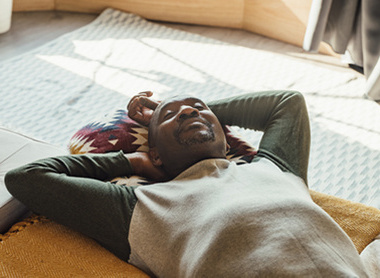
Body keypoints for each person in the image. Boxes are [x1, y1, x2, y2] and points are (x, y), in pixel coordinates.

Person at [5, 90, 369, 277]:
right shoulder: (141, 207)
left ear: (226, 141)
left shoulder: (275, 168)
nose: (190, 111)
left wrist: (174, 107)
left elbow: (287, 104)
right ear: (157, 155)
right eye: (170, 116)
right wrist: (133, 161)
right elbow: (27, 178)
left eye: (197, 106)